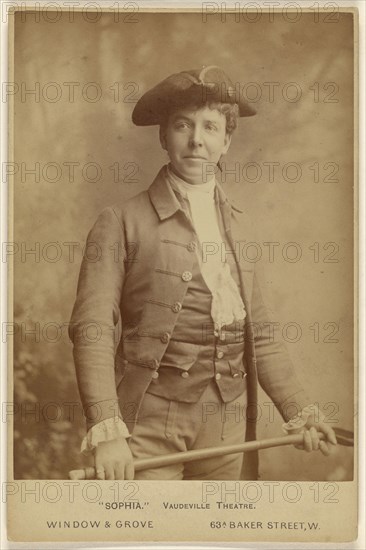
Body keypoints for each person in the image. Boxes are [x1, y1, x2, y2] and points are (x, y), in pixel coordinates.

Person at [70, 65, 337, 481]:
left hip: (227, 427)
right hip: (147, 425)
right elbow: (92, 328)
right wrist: (107, 430)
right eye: (182, 125)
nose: (196, 139)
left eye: (210, 127)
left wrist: (300, 411)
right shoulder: (121, 221)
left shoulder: (242, 227)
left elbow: (261, 335)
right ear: (164, 136)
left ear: (226, 140)